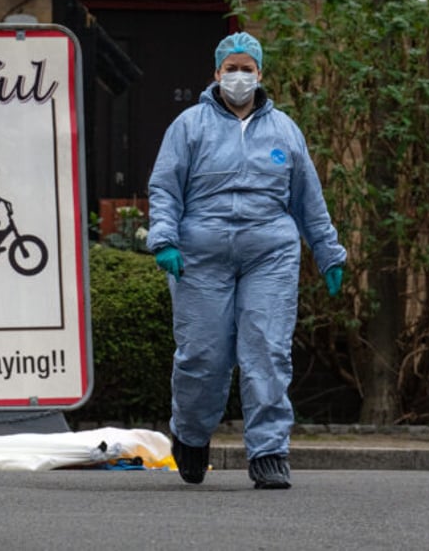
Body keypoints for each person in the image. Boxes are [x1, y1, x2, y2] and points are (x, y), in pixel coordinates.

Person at [146, 32, 346, 489]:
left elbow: (308, 201)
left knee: (266, 351)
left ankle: (269, 451)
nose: (239, 76)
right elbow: (165, 187)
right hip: (201, 255)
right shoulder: (190, 125)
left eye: (247, 68)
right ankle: (192, 436)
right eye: (231, 68)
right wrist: (164, 240)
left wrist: (328, 251)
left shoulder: (285, 131)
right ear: (216, 73)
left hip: (269, 255)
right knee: (203, 356)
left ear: (260, 73)